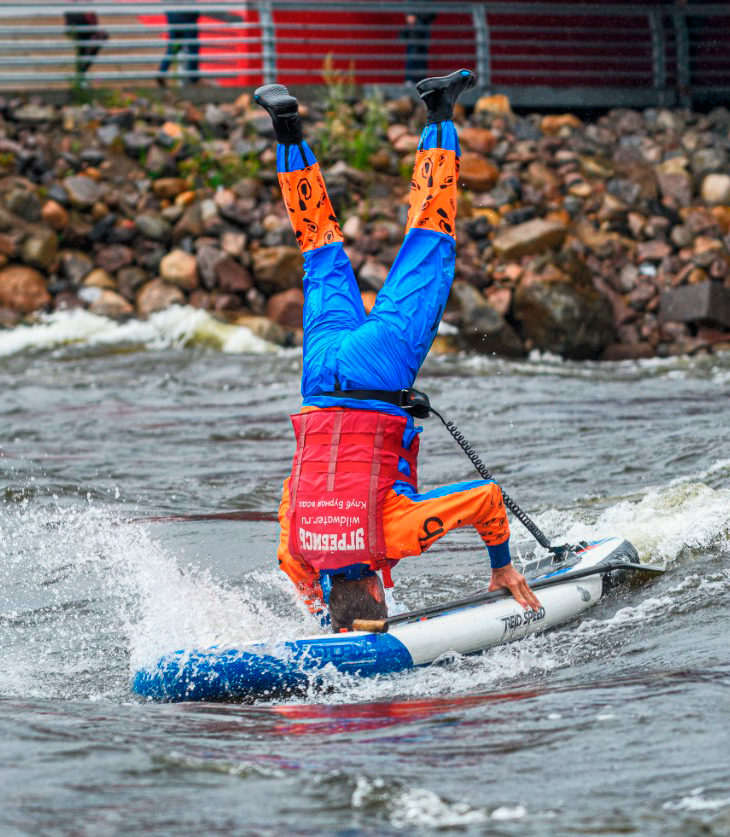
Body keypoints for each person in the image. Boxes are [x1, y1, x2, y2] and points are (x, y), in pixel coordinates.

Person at [254, 70, 542, 633]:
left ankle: (439, 113)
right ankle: (287, 130)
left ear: (380, 598)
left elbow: (486, 498)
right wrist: (321, 612)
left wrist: (503, 568)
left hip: (380, 368)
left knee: (429, 238)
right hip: (320, 374)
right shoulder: (300, 557)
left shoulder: (394, 536)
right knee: (319, 252)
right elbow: (293, 498)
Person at [64, 3, 108, 77]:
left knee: (100, 37)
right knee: (86, 45)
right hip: (77, 27)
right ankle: (80, 75)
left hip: (86, 28)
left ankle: (80, 75)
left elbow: (93, 22)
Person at [158, 10, 200, 84]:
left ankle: (162, 71)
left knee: (173, 46)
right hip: (187, 17)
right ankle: (194, 77)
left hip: (172, 16)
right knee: (193, 47)